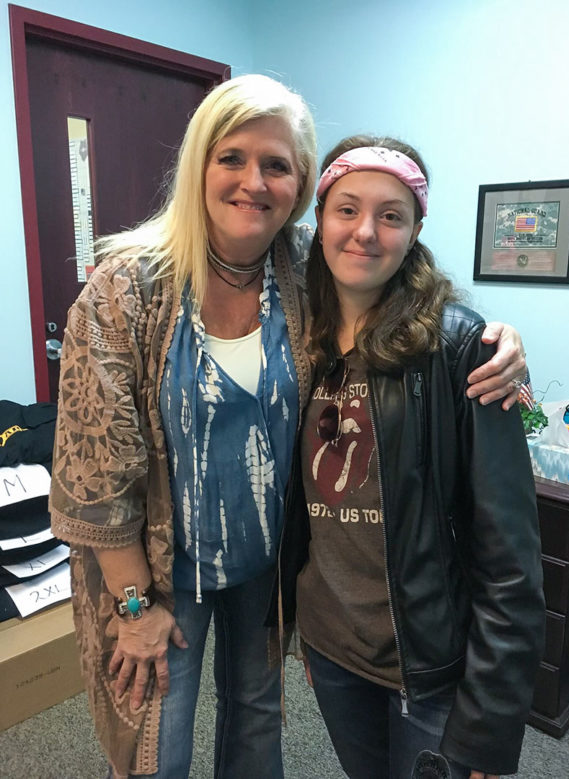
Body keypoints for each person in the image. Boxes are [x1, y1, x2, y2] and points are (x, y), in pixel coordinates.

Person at [49, 76, 528, 779]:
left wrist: (498, 341)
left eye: (277, 164)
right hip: (155, 570)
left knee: (256, 728)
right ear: (199, 165)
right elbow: (94, 475)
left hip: (265, 565)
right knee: (158, 746)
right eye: (233, 157)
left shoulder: (299, 271)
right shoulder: (127, 291)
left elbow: (394, 273)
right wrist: (132, 603)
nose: (254, 182)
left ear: (300, 183)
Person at [272, 136, 545, 779]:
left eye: (390, 215)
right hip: (333, 650)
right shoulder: (295, 337)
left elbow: (512, 558)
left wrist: (487, 726)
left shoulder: (463, 352)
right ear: (319, 218)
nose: (365, 232)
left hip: (427, 669)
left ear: (415, 229)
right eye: (347, 209)